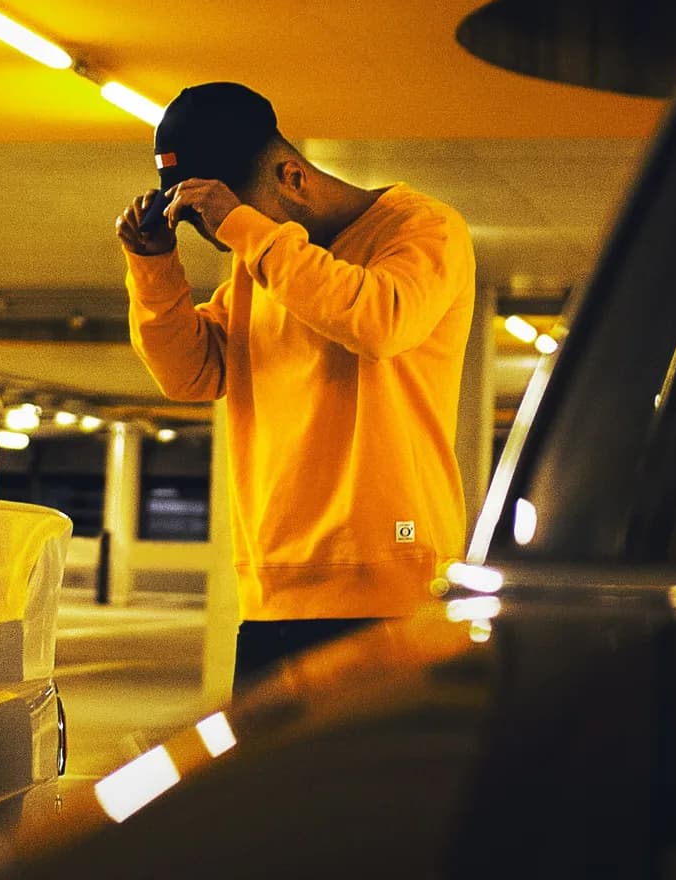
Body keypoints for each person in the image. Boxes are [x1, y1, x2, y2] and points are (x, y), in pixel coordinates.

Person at [115, 82, 475, 694]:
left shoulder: (423, 230)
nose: (233, 242)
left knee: (376, 793)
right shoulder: (264, 264)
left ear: (293, 176)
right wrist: (154, 269)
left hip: (389, 590)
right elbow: (192, 374)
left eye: (237, 222)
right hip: (272, 594)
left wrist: (248, 232)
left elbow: (380, 321)